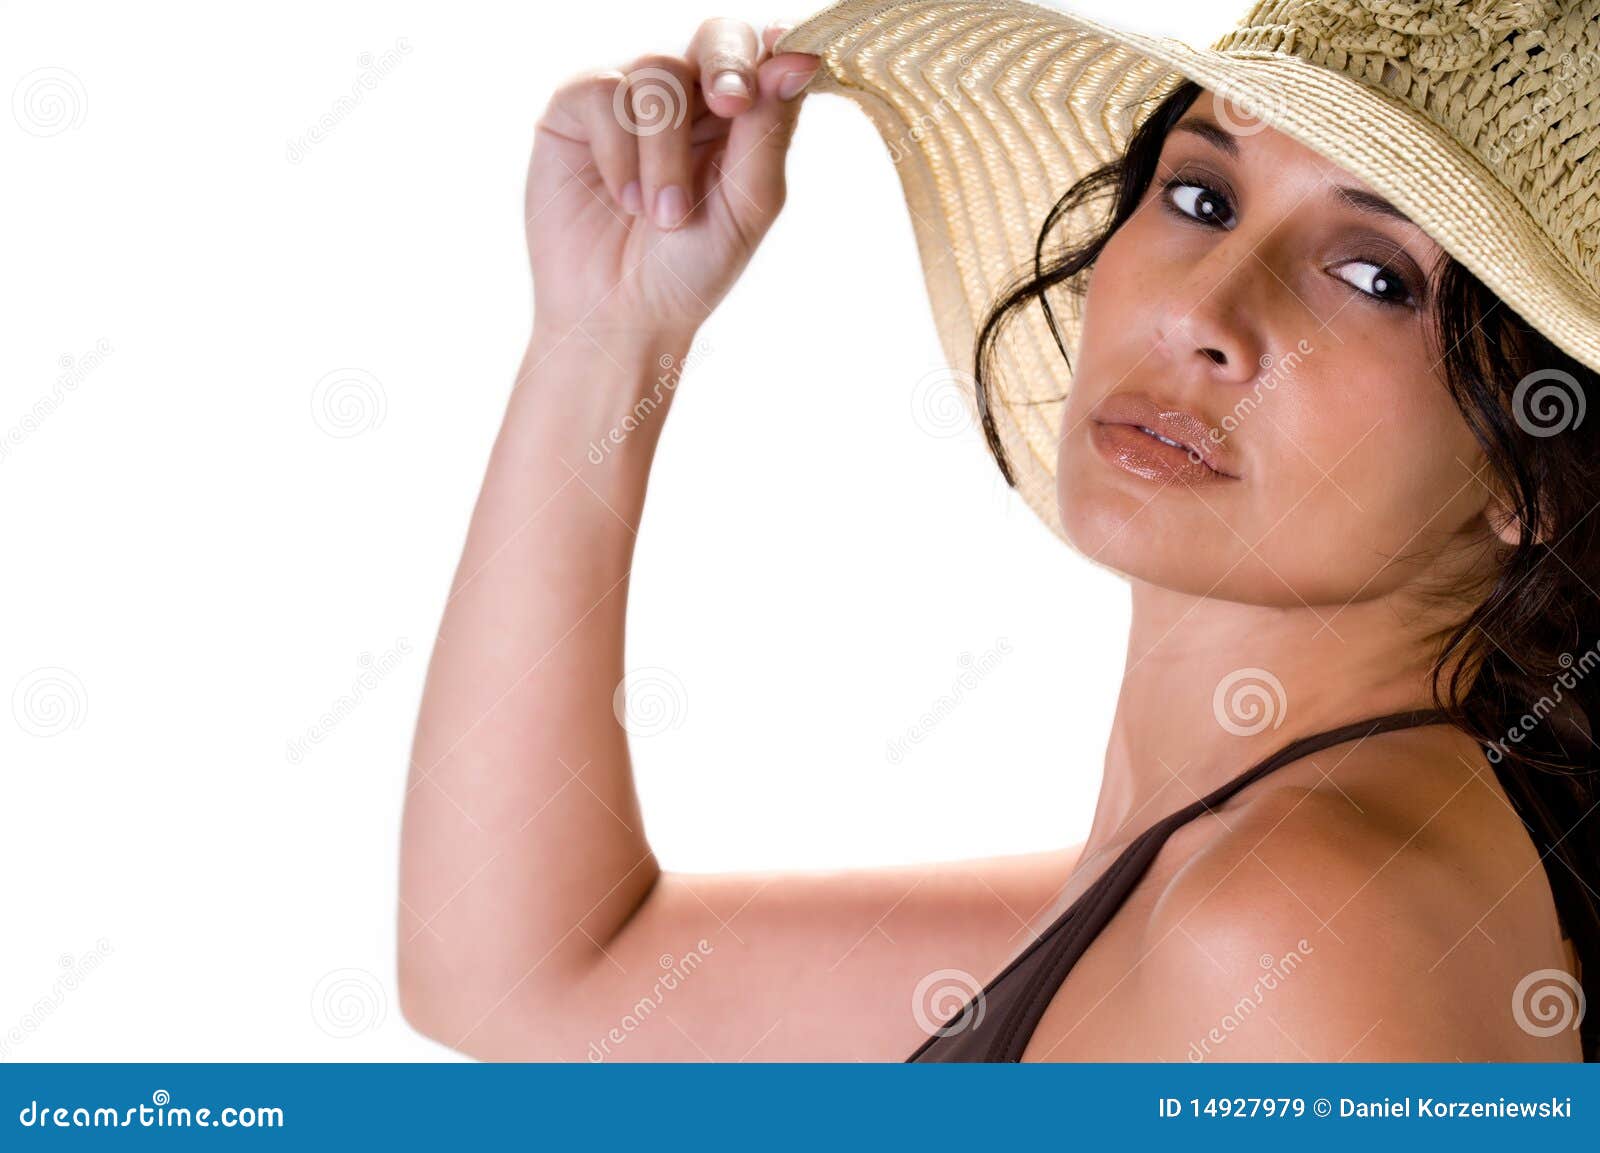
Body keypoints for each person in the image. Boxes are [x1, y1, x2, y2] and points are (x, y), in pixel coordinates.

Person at [397, 2, 1599, 1061]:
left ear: (1531, 476)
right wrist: (606, 337)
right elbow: (532, 983)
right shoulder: (1213, 882)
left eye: (1376, 275)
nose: (1198, 310)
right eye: (1200, 195)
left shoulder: (1295, 919)